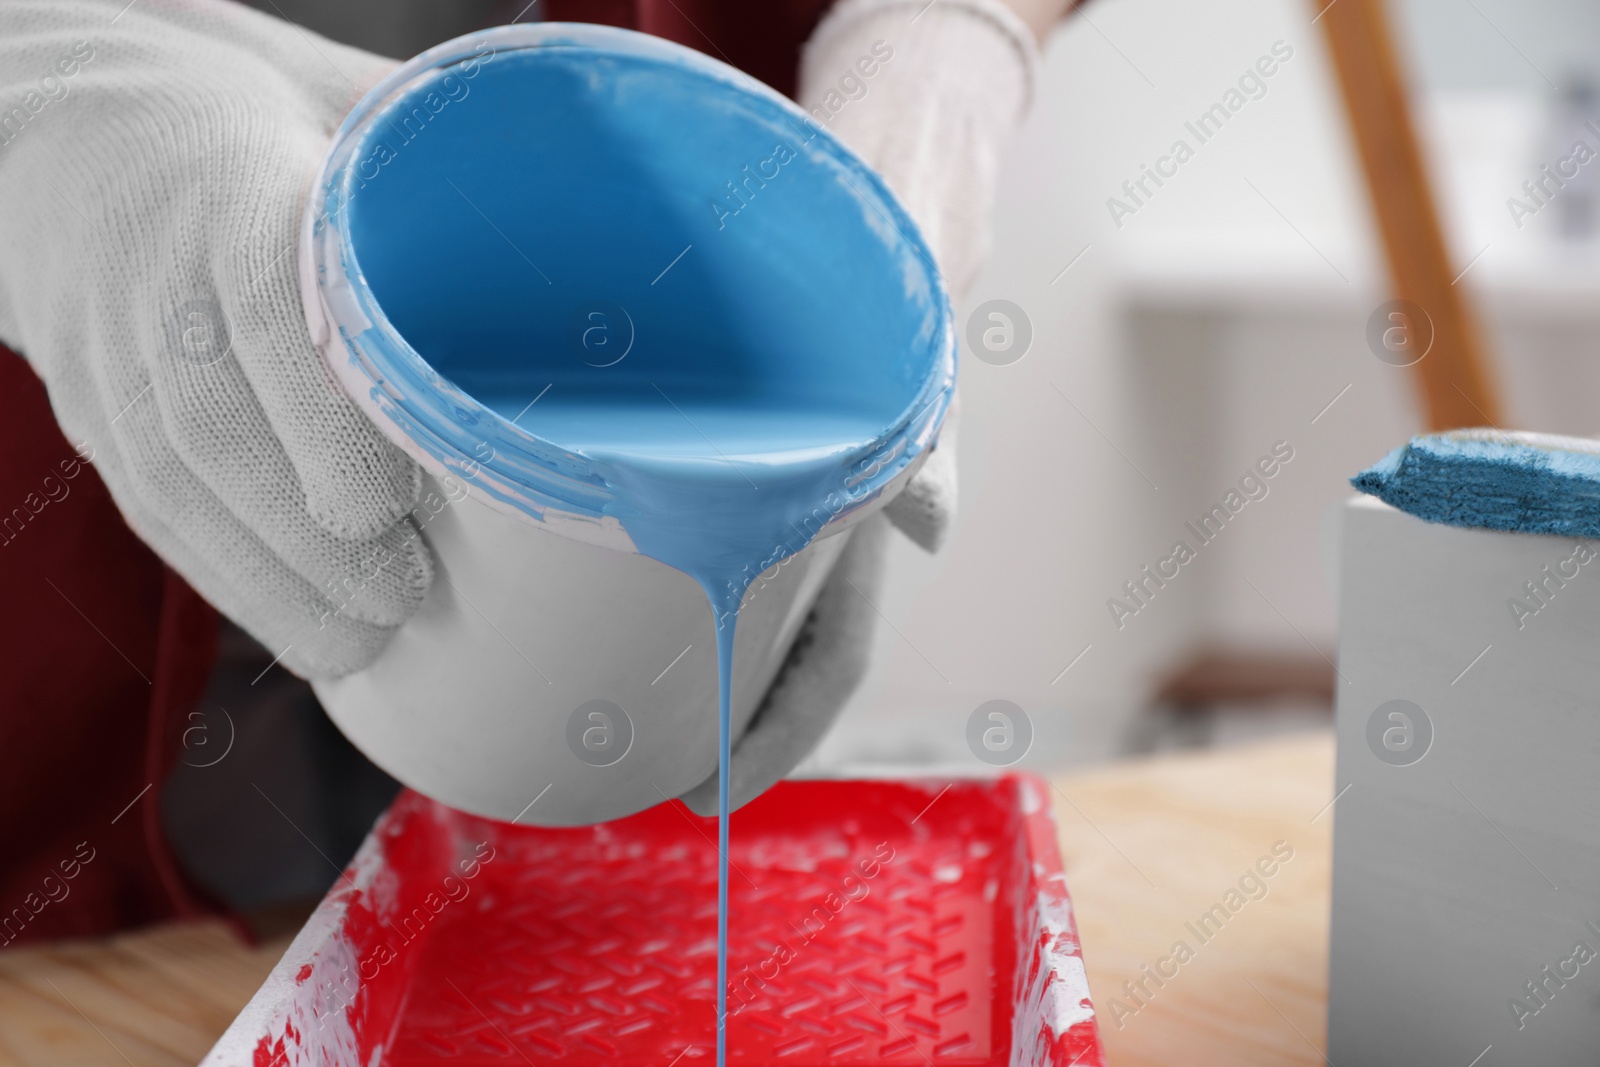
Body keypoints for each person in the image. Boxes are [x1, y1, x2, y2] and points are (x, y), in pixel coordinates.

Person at [0, 0, 1072, 943]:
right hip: (57, 715)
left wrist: (947, 42)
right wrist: (31, 86)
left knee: (523, 958)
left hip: (602, 804)